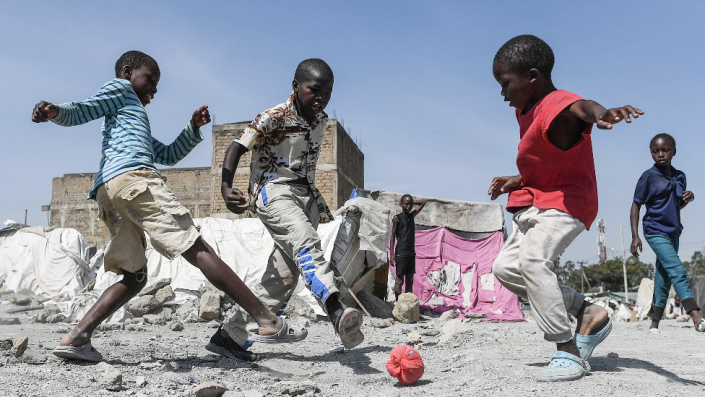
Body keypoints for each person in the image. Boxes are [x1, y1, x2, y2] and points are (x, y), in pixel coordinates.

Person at [31, 51, 306, 363]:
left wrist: (192, 129)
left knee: (135, 276)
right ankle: (267, 321)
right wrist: (56, 112)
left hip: (110, 192)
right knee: (199, 249)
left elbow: (168, 154)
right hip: (136, 182)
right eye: (150, 79)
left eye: (157, 84)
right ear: (127, 71)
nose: (155, 89)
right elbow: (83, 109)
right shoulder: (121, 90)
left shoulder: (132, 118)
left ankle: (77, 338)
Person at [487, 35, 644, 381]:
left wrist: (603, 113)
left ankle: (567, 350)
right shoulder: (524, 110)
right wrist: (517, 178)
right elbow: (547, 160)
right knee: (505, 268)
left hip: (566, 202)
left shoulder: (558, 103)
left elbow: (581, 107)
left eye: (505, 84)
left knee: (533, 263)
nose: (502, 93)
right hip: (536, 199)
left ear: (532, 76)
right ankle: (587, 311)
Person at [215, 58, 364, 360]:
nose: (322, 98)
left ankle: (230, 337)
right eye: (315, 90)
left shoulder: (320, 121)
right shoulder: (273, 116)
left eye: (329, 92)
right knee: (307, 244)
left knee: (284, 276)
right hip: (273, 192)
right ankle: (335, 309)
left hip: (305, 197)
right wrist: (225, 186)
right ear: (296, 87)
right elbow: (236, 147)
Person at [630, 133, 704, 334]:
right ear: (651, 153)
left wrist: (687, 199)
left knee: (664, 276)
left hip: (673, 232)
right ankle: (696, 316)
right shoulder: (648, 177)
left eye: (665, 150)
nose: (661, 154)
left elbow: (674, 205)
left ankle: (654, 323)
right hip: (654, 230)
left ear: (674, 151)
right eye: (656, 151)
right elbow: (636, 205)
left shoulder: (680, 176)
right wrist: (635, 236)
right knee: (677, 269)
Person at [389, 195, 426, 301]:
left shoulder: (411, 216)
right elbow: (392, 237)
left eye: (410, 204)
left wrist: (411, 202)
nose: (409, 206)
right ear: (401, 204)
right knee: (400, 280)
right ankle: (399, 303)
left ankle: (408, 303)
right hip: (401, 253)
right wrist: (392, 255)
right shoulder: (397, 218)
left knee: (410, 279)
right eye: (406, 204)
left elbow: (423, 202)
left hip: (411, 254)